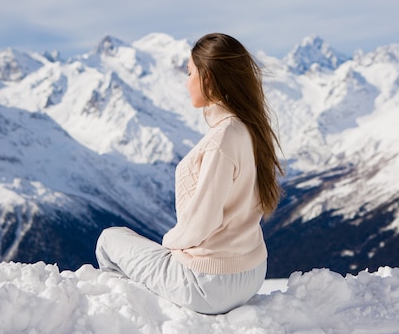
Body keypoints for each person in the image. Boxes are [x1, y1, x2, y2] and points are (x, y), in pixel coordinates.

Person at [95, 33, 284, 314]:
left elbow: (202, 221)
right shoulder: (250, 129)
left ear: (207, 77)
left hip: (209, 283)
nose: (186, 82)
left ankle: (125, 314)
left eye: (189, 72)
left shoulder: (223, 138)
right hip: (251, 271)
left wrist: (169, 244)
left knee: (109, 239)